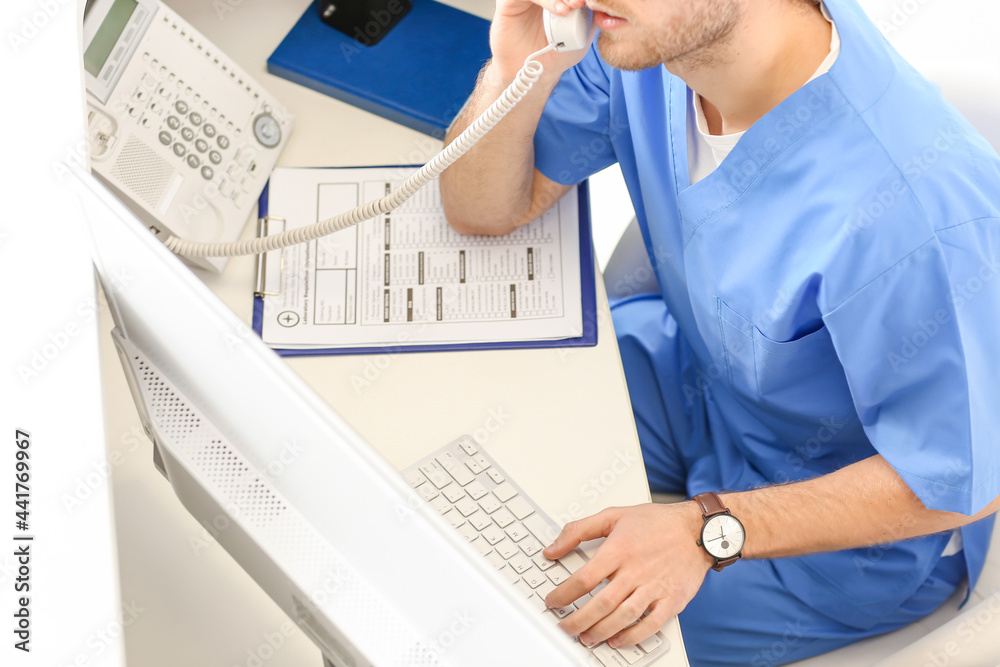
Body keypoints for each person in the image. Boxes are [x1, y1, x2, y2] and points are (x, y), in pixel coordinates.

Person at [439, 0, 1000, 664]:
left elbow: (965, 478)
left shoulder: (916, 209)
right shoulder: (646, 41)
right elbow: (483, 208)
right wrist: (516, 69)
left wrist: (707, 529)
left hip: (842, 535)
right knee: (453, 431)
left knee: (532, 625)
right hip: (699, 379)